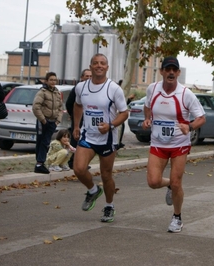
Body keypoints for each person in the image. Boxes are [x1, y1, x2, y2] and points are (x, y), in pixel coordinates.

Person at [142, 56, 206, 233]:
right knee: (153, 182)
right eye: (167, 69)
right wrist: (147, 119)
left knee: (178, 182)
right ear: (161, 71)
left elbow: (201, 118)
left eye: (174, 70)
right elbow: (147, 107)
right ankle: (170, 184)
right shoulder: (152, 89)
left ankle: (177, 217)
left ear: (178, 73)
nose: (170, 72)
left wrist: (190, 126)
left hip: (179, 144)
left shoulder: (186, 94)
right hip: (158, 143)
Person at [72, 53, 129, 223]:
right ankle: (92, 190)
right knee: (79, 169)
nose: (99, 66)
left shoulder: (113, 89)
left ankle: (109, 206)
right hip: (88, 135)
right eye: (95, 63)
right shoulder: (81, 87)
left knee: (106, 175)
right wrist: (76, 125)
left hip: (107, 139)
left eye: (102, 63)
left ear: (107, 67)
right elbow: (77, 104)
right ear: (90, 66)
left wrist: (110, 125)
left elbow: (124, 113)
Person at [32, 72, 63, 174]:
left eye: (55, 80)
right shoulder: (42, 92)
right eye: (51, 80)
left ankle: (40, 163)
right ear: (46, 81)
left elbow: (60, 108)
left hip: (53, 122)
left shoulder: (57, 93)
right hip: (43, 121)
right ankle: (39, 163)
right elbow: (36, 107)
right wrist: (43, 120)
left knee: (46, 142)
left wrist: (57, 120)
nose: (53, 82)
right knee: (41, 142)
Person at [65, 69, 91, 169]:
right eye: (86, 76)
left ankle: (82, 162)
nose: (88, 78)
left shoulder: (93, 89)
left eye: (90, 76)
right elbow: (69, 103)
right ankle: (72, 162)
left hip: (88, 120)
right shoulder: (78, 88)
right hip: (78, 120)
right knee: (76, 140)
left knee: (86, 142)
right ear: (81, 77)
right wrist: (73, 115)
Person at [117, 79, 135, 149]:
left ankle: (119, 141)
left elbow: (123, 104)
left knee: (122, 126)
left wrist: (129, 99)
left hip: (120, 113)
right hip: (116, 114)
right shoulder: (117, 91)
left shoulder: (122, 92)